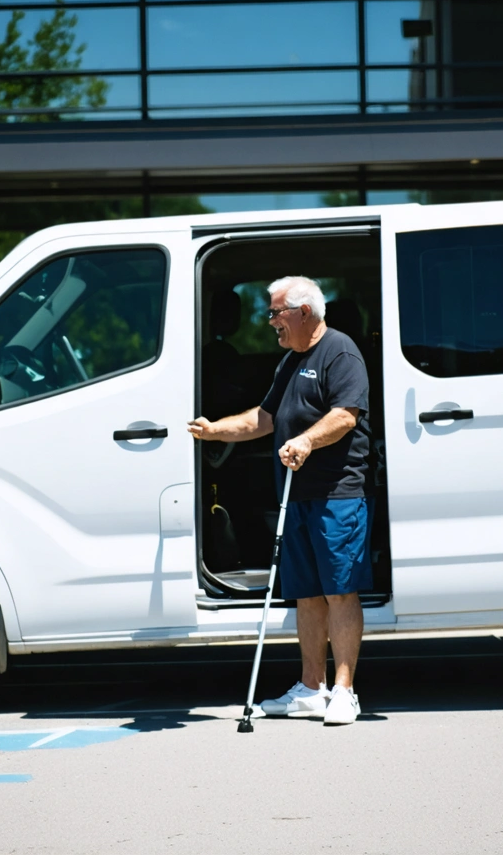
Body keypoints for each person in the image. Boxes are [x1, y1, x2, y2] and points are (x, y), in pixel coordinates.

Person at [188, 275, 372, 725]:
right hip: (297, 496)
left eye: (275, 312)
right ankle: (312, 689)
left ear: (303, 312)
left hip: (336, 495)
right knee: (306, 595)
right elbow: (265, 418)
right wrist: (215, 430)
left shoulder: (341, 352)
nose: (269, 320)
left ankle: (344, 691)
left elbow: (346, 415)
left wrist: (306, 441)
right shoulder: (290, 360)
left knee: (339, 591)